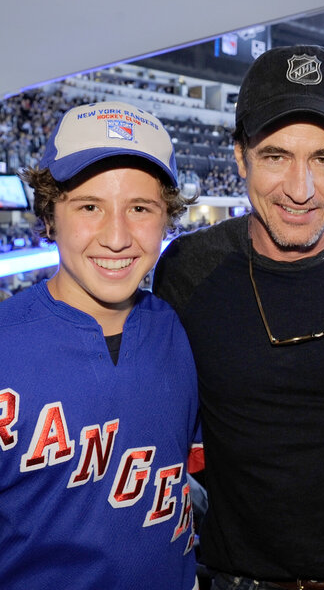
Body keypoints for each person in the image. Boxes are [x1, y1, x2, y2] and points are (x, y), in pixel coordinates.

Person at [153, 45, 324, 590]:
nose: (300, 189)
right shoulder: (188, 271)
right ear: (239, 157)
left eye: (322, 158)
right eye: (275, 156)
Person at [0, 100, 201, 590]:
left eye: (140, 208)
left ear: (166, 220)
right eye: (89, 206)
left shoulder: (176, 329)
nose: (117, 237)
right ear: (48, 215)